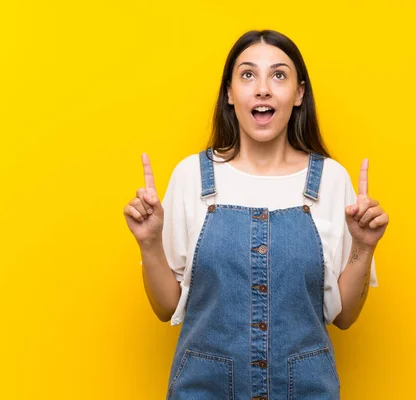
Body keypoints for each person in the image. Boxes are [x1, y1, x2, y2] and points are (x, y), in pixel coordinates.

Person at [124, 29, 389, 400]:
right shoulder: (191, 176)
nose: (263, 88)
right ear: (230, 93)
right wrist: (150, 243)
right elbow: (165, 307)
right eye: (248, 75)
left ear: (298, 94)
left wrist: (363, 247)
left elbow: (344, 317)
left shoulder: (331, 179)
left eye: (278, 75)